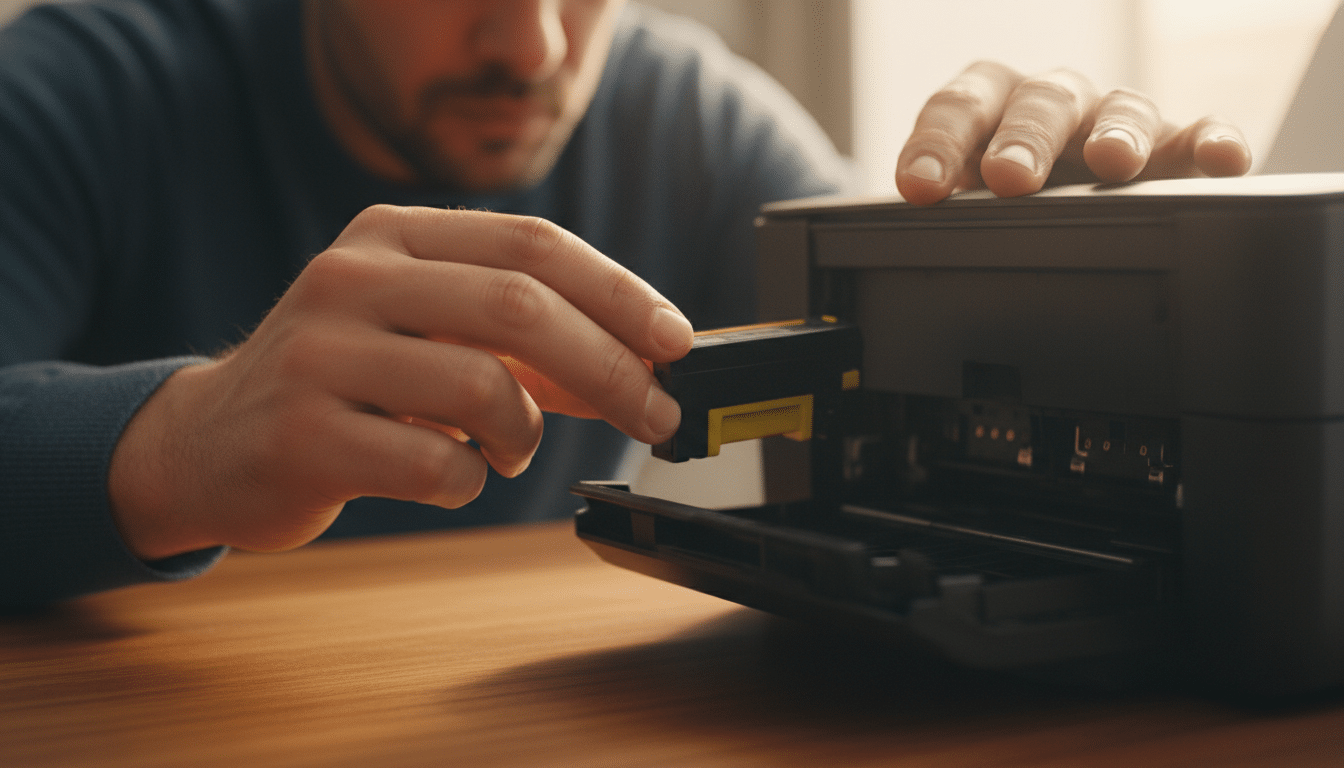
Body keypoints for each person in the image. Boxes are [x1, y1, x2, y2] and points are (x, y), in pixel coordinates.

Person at [0, 0, 1251, 608]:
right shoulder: (74, 92)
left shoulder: (690, 117)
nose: (537, 48)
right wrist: (175, 445)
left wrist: (1070, 261)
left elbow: (883, 372)